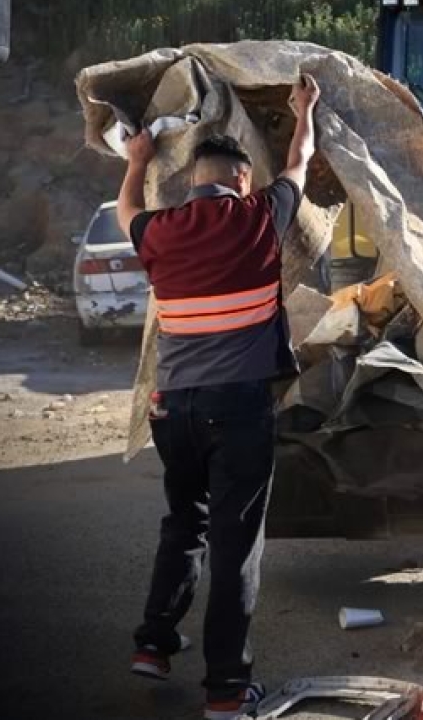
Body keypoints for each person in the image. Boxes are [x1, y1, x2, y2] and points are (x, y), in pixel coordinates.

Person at [115, 75, 320, 720]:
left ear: (192, 180)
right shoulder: (260, 217)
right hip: (237, 410)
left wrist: (138, 162)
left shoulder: (161, 232)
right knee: (236, 544)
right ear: (238, 181)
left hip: (172, 410)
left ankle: (153, 644)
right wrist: (304, 109)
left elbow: (126, 211)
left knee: (185, 521)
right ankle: (227, 690)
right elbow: (301, 161)